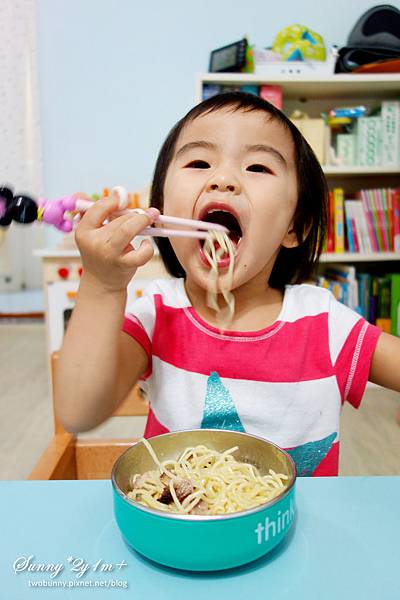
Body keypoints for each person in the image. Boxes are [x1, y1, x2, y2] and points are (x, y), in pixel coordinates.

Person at [57, 92, 400, 477]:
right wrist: (103, 285)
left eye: (257, 167)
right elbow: (77, 411)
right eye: (199, 162)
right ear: (162, 213)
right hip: (182, 530)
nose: (223, 179)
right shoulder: (157, 315)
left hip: (293, 531)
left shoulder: (323, 323)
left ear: (295, 226)